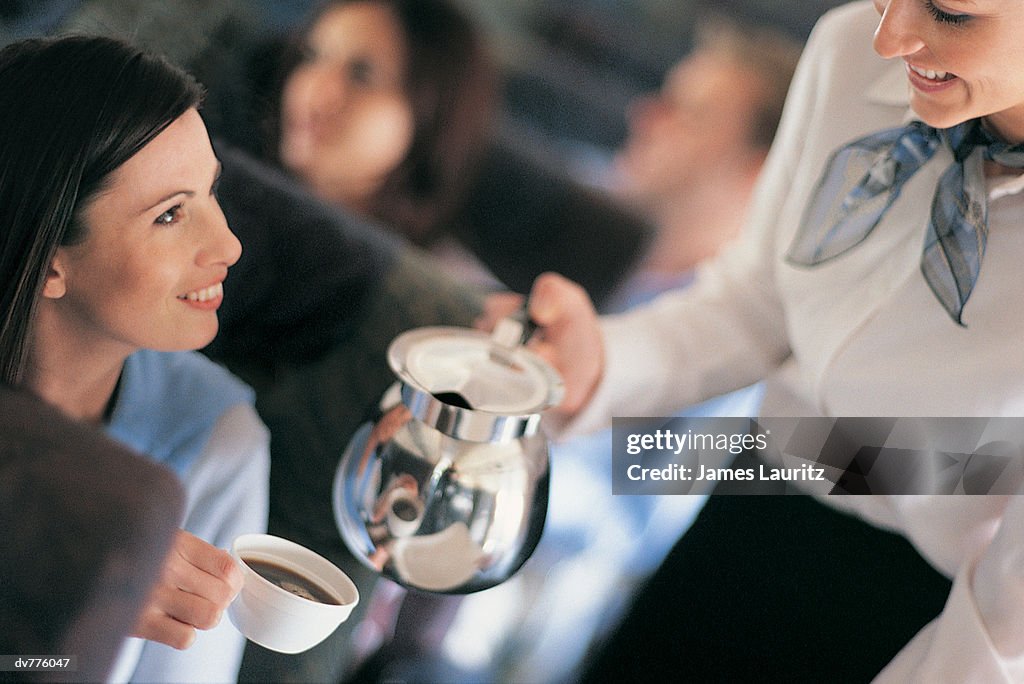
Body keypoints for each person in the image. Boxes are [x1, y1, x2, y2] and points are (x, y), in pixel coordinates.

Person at [485, 0, 1024, 681]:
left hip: (930, 608)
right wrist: (603, 363)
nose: (889, 36)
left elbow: (1009, 619)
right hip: (755, 490)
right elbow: (754, 301)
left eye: (950, 12)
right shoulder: (847, 47)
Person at [0, 35, 269, 682]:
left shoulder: (216, 442)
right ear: (52, 257)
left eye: (209, 192)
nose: (228, 244)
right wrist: (80, 601)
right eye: (171, 215)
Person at [269, 0, 500, 285]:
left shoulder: (442, 290)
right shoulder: (222, 187)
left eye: (361, 74)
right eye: (312, 56)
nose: (312, 90)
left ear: (430, 116)